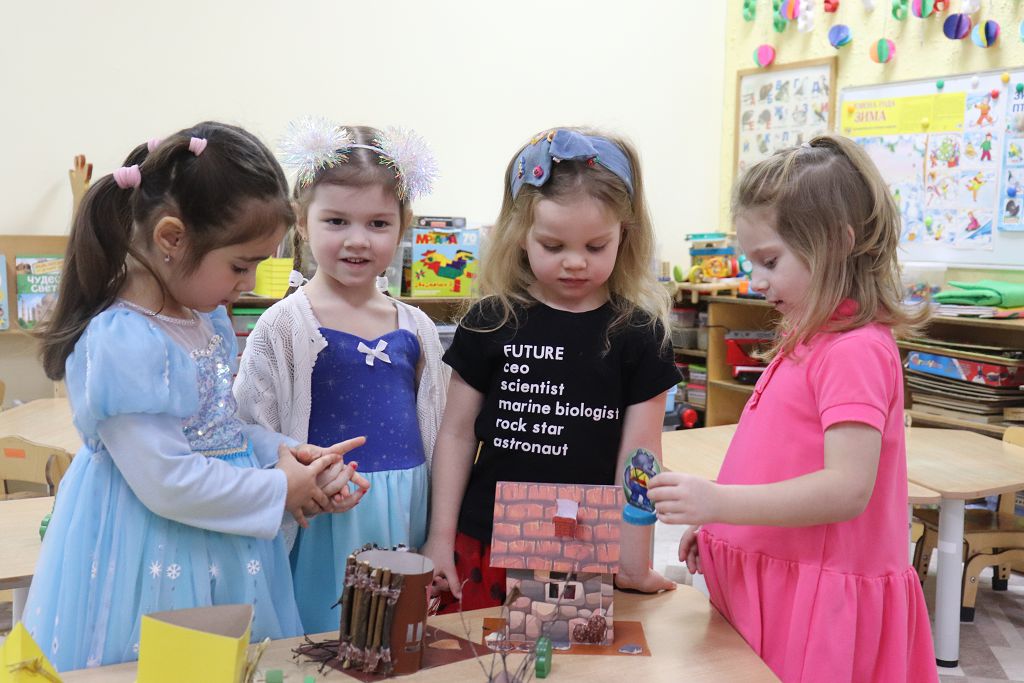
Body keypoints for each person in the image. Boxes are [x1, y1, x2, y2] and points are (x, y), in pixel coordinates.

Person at [25, 122, 369, 671]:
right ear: (171, 239)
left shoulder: (201, 317)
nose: (249, 282)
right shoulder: (125, 339)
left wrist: (285, 454)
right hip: (153, 550)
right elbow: (167, 480)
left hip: (217, 539)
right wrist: (281, 488)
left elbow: (216, 429)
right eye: (240, 265)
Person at [648, 134, 937, 682]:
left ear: (838, 244)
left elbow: (846, 489)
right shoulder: (810, 336)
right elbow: (780, 460)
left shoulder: (854, 350)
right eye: (751, 262)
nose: (755, 281)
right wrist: (720, 525)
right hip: (784, 580)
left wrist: (719, 502)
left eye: (770, 261)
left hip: (816, 598)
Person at [422, 128, 680, 612]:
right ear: (520, 236)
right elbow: (456, 435)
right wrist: (439, 537)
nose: (575, 263)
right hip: (483, 542)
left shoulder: (639, 334)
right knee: (477, 651)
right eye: (553, 245)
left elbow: (640, 459)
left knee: (564, 654)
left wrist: (633, 562)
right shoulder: (490, 321)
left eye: (596, 246)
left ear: (624, 236)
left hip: (584, 546)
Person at [233, 118, 447, 633]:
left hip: (405, 510)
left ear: (402, 227)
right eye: (336, 221)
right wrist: (296, 474)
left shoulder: (416, 327)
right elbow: (248, 426)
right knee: (323, 638)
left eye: (378, 224)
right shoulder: (283, 324)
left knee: (396, 637)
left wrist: (440, 527)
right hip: (325, 515)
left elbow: (440, 429)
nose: (358, 240)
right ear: (302, 223)